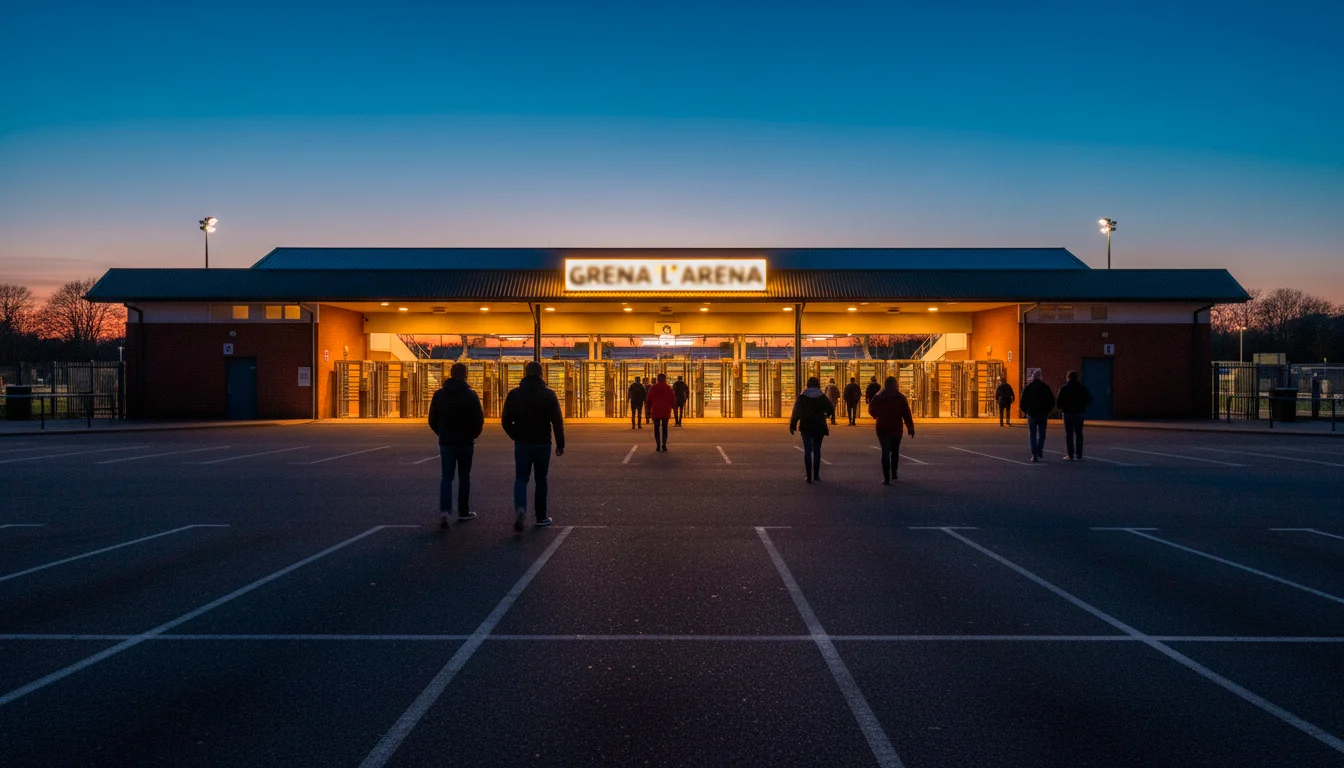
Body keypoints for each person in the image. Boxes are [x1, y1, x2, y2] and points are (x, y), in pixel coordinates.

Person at [501, 361, 565, 531]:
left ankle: (521, 508)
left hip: (522, 442)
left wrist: (516, 435)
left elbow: (506, 420)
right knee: (541, 480)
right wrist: (560, 443)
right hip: (543, 442)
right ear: (541, 374)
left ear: (526, 373)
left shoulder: (515, 394)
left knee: (521, 478)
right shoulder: (549, 395)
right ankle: (541, 517)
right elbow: (557, 421)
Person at [428, 362, 484, 529]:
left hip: (446, 441)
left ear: (451, 374)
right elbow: (479, 420)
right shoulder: (471, 395)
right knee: (464, 477)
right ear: (465, 375)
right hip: (465, 442)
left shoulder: (439, 395)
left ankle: (445, 511)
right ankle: (463, 511)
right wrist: (473, 434)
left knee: (446, 477)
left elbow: (432, 419)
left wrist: (442, 433)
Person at [868, 375, 914, 485]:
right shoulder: (900, 397)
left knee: (885, 451)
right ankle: (894, 473)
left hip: (882, 427)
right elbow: (906, 414)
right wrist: (910, 427)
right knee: (895, 451)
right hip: (896, 428)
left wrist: (876, 416)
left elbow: (871, 409)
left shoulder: (879, 396)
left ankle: (886, 477)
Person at [789, 376, 834, 483]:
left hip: (806, 426)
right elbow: (830, 408)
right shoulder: (822, 396)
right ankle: (816, 475)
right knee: (817, 450)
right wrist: (827, 415)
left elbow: (796, 411)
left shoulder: (802, 397)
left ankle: (809, 476)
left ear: (807, 384)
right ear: (818, 384)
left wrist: (792, 425)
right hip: (819, 425)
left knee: (807, 451)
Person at [1056, 370, 1094, 461]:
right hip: (1079, 413)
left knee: (1069, 434)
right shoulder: (1082, 388)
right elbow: (1090, 400)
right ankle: (1079, 454)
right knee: (1079, 433)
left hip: (1068, 413)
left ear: (1068, 377)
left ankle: (1070, 454)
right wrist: (1083, 404)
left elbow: (1058, 402)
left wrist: (1061, 408)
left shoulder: (1064, 388)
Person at [1019, 370, 1055, 463]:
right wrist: (1048, 411)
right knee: (1042, 434)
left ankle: (1034, 454)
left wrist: (1026, 411)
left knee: (1032, 435)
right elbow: (1051, 400)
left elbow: (1022, 401)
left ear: (1033, 377)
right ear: (1040, 377)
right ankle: (1039, 450)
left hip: (1032, 413)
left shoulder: (1028, 388)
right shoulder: (1046, 387)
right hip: (1043, 414)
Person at [645, 372, 676, 451]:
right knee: (665, 428)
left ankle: (658, 445)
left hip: (656, 411)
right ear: (665, 379)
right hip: (666, 410)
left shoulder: (653, 388)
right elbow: (672, 399)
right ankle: (664, 444)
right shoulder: (668, 388)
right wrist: (674, 409)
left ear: (657, 379)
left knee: (656, 428)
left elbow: (648, 400)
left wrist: (648, 411)